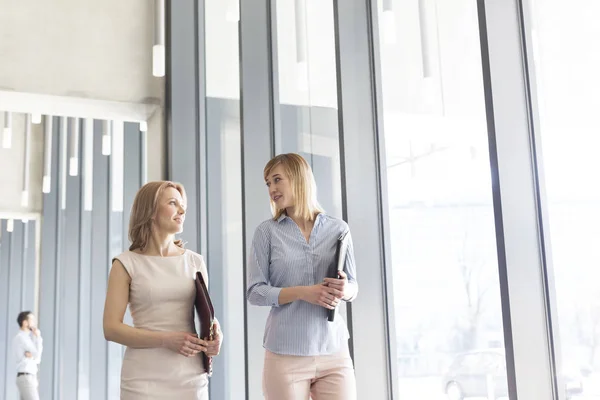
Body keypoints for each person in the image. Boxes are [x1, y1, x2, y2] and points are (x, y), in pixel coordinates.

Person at [247, 153, 359, 399]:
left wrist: (344, 289)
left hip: (334, 352)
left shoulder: (338, 229)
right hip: (285, 355)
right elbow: (255, 292)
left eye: (277, 180)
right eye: (268, 183)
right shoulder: (266, 232)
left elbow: (353, 286)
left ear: (298, 178)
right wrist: (303, 292)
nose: (272, 189)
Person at [103, 181, 222, 400]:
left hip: (190, 376)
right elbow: (111, 329)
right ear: (150, 212)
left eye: (182, 204)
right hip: (142, 379)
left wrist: (217, 334)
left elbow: (209, 315)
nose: (182, 210)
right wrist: (165, 340)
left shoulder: (195, 261)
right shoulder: (125, 264)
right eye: (173, 203)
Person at [13, 311, 43, 400]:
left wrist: (33, 356)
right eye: (32, 320)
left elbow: (37, 359)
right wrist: (38, 337)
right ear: (25, 323)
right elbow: (37, 355)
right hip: (26, 378)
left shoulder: (27, 339)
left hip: (29, 377)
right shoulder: (21, 338)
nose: (34, 322)